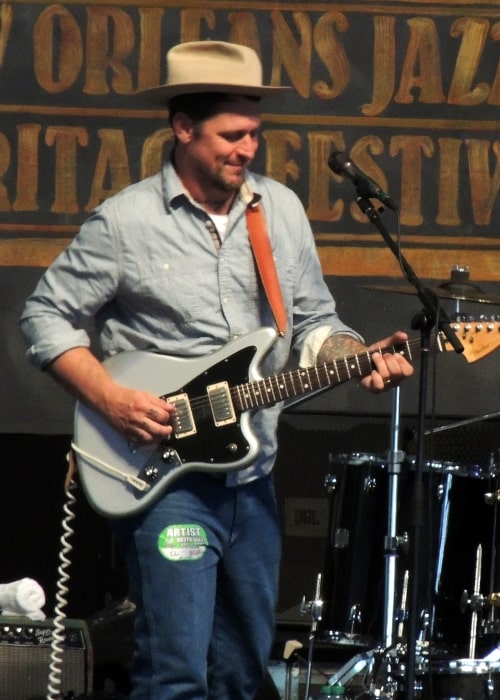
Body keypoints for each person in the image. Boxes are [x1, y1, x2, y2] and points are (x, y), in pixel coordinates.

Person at [20, 40, 414, 700]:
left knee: (239, 674)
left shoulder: (279, 212)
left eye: (255, 134)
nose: (247, 149)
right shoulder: (125, 222)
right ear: (182, 129)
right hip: (166, 480)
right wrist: (112, 399)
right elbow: (44, 319)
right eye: (231, 136)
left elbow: (315, 321)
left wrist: (357, 358)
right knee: (175, 676)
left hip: (253, 480)